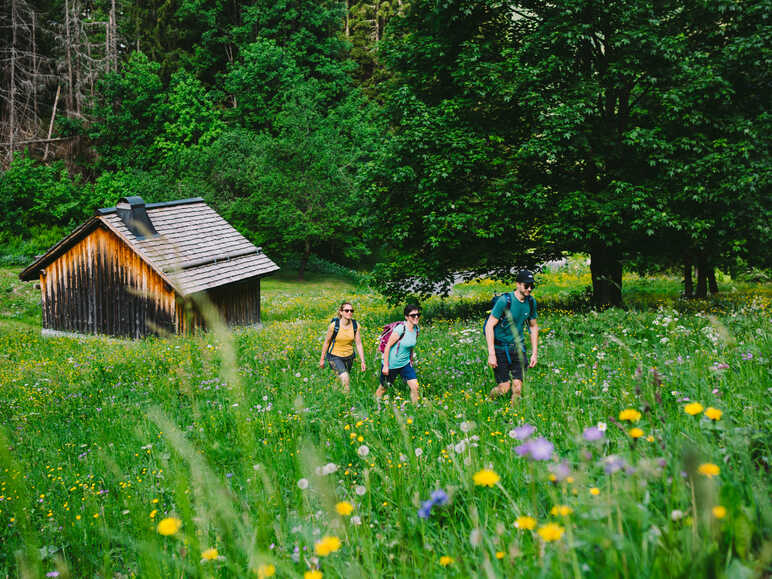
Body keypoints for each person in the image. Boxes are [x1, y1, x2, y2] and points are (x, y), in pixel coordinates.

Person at [485, 270, 539, 403]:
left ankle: (513, 418)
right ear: (518, 284)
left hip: (518, 348)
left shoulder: (531, 302)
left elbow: (533, 327)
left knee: (517, 388)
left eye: (532, 286)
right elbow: (489, 326)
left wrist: (534, 353)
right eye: (526, 286)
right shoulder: (505, 301)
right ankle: (489, 401)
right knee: (504, 388)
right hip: (500, 348)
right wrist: (491, 353)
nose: (529, 289)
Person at [377, 304, 421, 403]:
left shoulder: (416, 329)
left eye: (418, 314)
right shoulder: (401, 329)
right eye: (413, 315)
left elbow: (411, 346)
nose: (416, 317)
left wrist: (411, 360)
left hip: (405, 364)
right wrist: (386, 366)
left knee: (415, 386)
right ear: (406, 317)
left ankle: (415, 409)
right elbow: (388, 346)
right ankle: (375, 404)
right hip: (392, 364)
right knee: (383, 388)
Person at [319, 301, 366, 393]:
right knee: (345, 377)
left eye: (351, 311)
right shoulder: (334, 326)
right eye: (347, 310)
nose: (349, 313)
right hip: (334, 356)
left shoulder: (355, 325)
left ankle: (335, 393)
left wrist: (362, 361)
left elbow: (359, 344)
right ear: (341, 312)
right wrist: (322, 359)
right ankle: (347, 401)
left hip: (349, 356)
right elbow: (326, 342)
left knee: (341, 377)